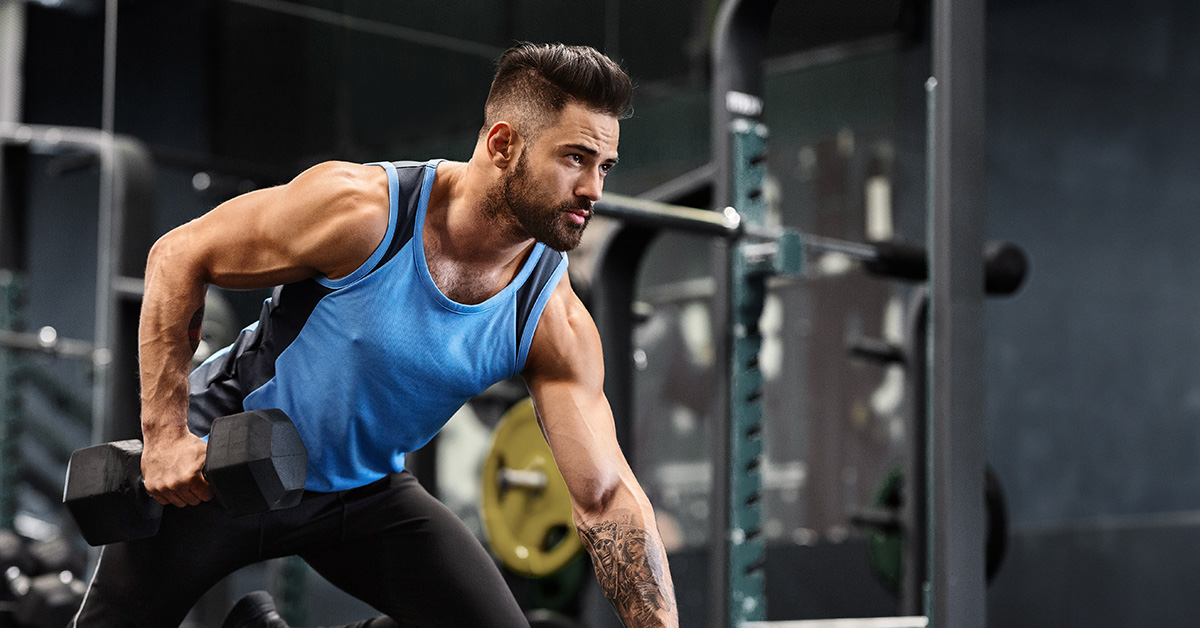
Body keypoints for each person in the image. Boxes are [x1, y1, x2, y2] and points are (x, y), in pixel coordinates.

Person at [68, 43, 678, 628]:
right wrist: (165, 437)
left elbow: (606, 501)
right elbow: (178, 255)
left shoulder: (550, 317)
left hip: (361, 492)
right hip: (223, 461)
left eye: (605, 166)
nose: (595, 188)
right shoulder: (363, 212)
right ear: (502, 143)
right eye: (575, 158)